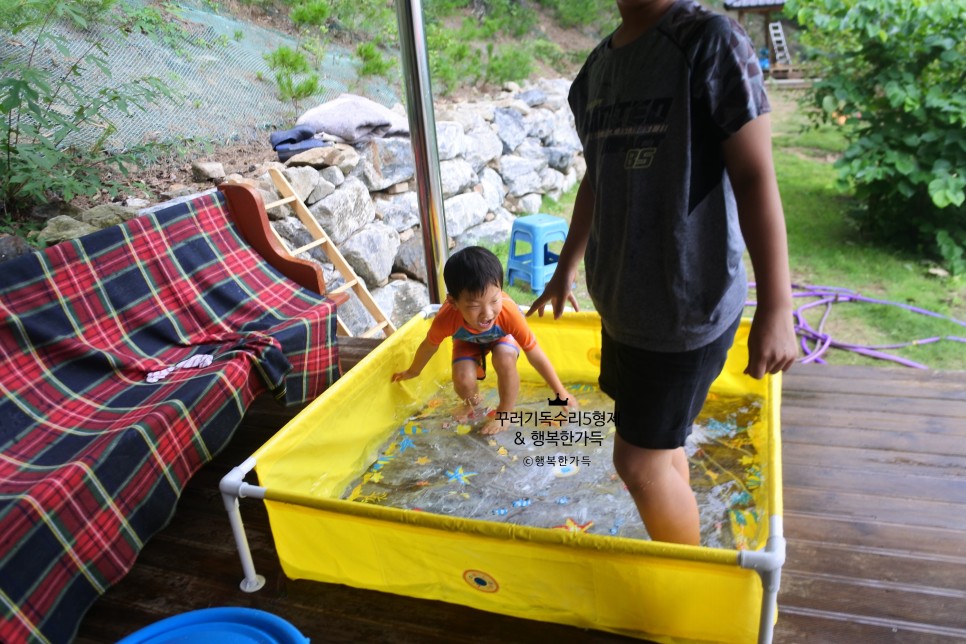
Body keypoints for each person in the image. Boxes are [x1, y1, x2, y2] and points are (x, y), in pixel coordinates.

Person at [527, 0, 798, 545]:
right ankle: (689, 537)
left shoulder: (709, 41)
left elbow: (754, 175)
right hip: (624, 303)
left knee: (637, 462)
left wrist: (777, 306)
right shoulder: (596, 71)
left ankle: (689, 584)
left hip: (685, 303)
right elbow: (595, 180)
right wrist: (566, 269)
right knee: (659, 444)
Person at [393, 246, 575, 435]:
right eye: (473, 305)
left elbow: (535, 353)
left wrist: (559, 391)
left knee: (504, 358)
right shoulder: (446, 318)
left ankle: (505, 412)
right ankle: (471, 403)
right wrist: (413, 371)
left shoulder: (508, 313)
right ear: (453, 303)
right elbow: (429, 346)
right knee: (463, 379)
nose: (487, 313)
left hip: (502, 335)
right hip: (467, 340)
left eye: (494, 300)